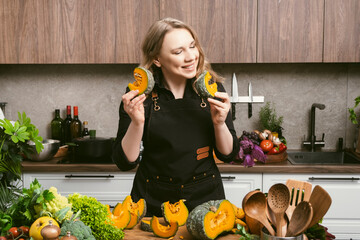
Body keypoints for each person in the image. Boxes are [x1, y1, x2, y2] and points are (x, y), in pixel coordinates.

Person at [112, 17, 239, 217]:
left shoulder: (213, 89)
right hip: (153, 201)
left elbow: (228, 154)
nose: (191, 57)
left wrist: (220, 123)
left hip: (206, 200)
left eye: (192, 46)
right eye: (179, 52)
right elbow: (124, 162)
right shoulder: (137, 95)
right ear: (157, 59)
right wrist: (137, 123)